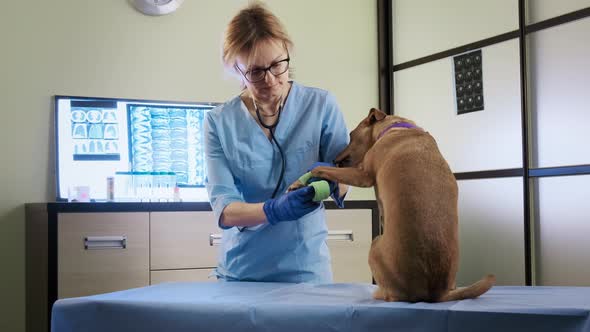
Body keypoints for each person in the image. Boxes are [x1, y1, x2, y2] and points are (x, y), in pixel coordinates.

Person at [204, 2, 349, 283]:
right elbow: (225, 209)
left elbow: (346, 181)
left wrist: (330, 180)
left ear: (287, 51)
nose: (270, 80)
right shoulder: (218, 122)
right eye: (256, 71)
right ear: (236, 69)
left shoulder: (321, 106)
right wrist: (274, 210)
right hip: (243, 272)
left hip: (306, 269)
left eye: (277, 65)